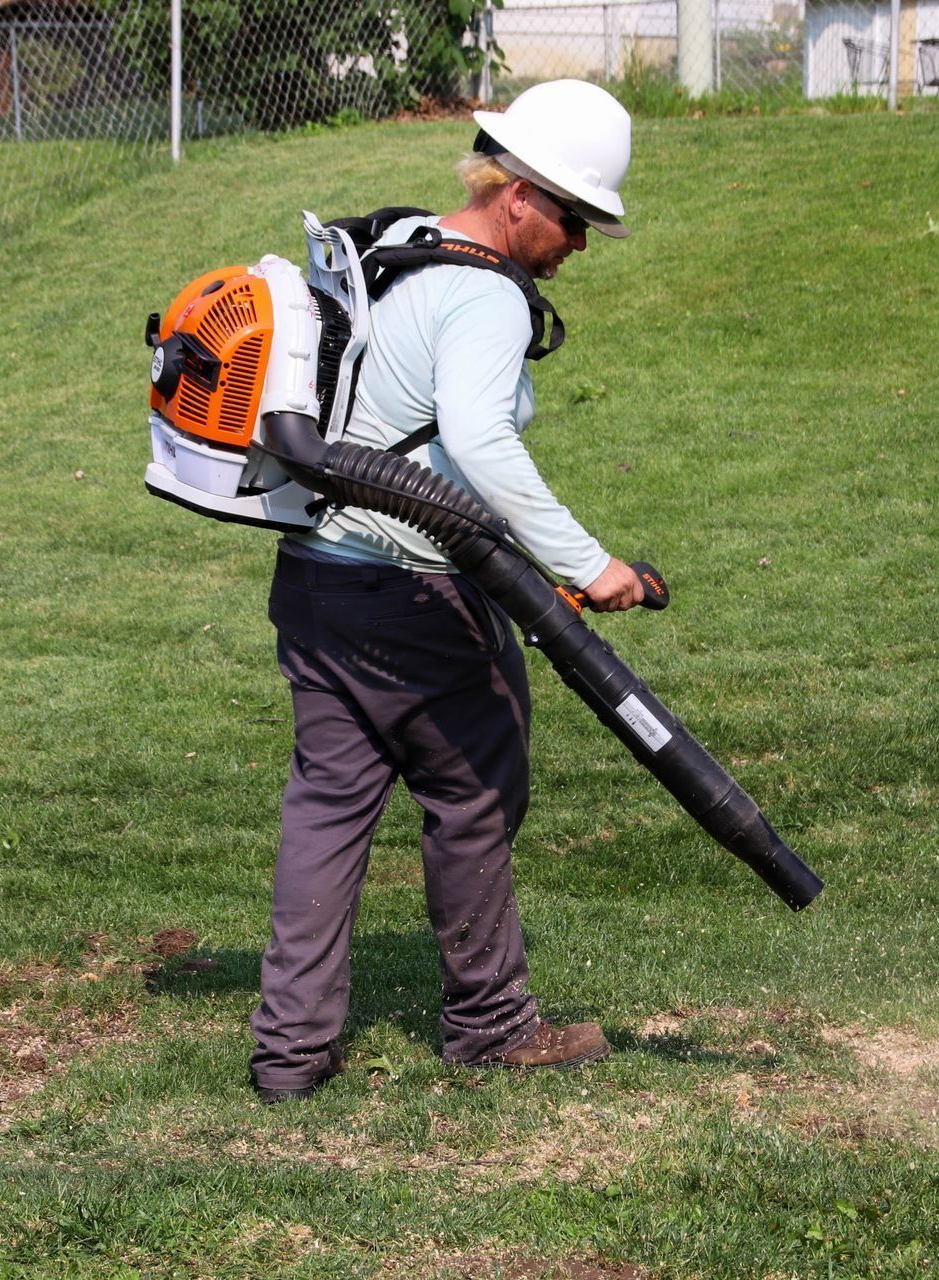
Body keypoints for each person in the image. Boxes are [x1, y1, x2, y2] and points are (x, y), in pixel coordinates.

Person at [249, 80, 646, 1103]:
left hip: (318, 579)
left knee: (328, 810)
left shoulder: (400, 243)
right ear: (516, 194)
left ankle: (288, 1054)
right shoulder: (485, 295)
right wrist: (590, 564)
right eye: (572, 215)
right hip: (417, 594)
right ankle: (491, 1023)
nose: (580, 242)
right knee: (474, 789)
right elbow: (474, 439)